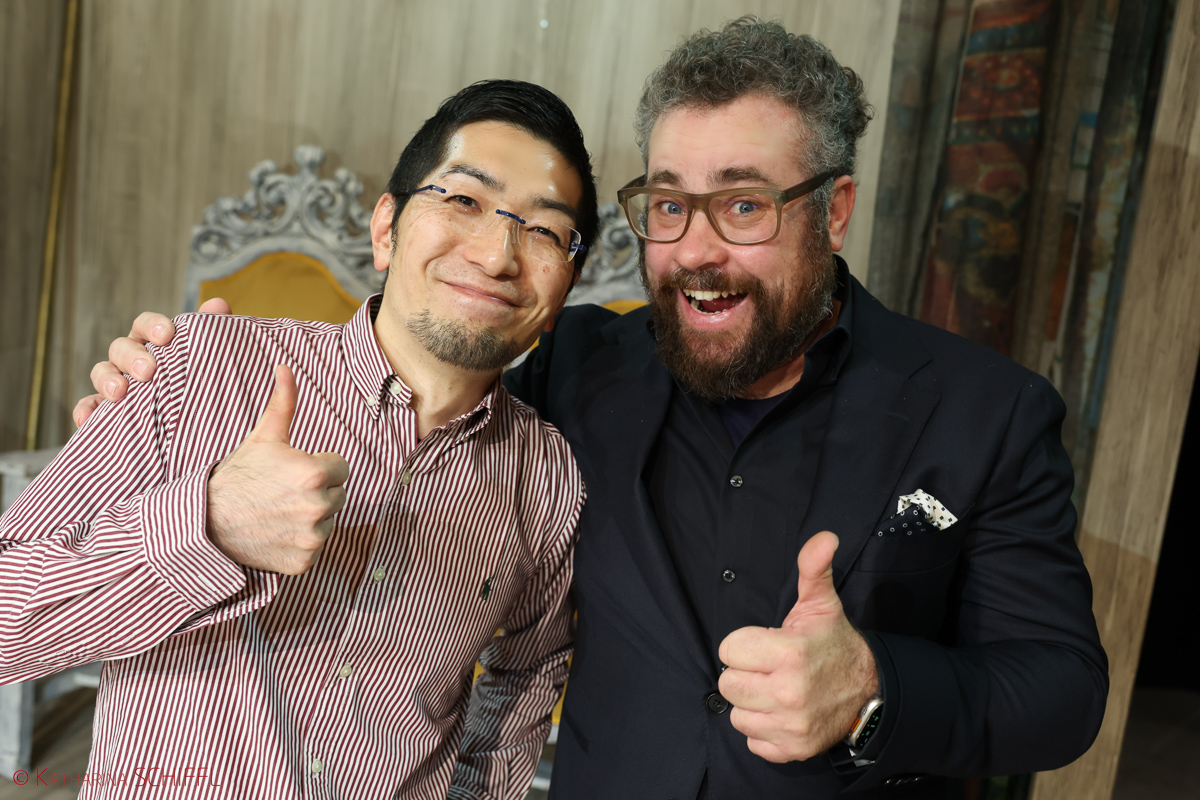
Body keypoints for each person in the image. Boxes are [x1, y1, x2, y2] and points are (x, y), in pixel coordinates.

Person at [78, 18, 1108, 800]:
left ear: (832, 210)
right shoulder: (576, 365)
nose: (696, 250)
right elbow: (417, 389)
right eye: (669, 204)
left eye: (743, 205)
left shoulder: (989, 411)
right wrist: (175, 395)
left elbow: (1061, 690)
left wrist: (874, 689)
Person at [2, 80, 600, 799]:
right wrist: (208, 527)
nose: (499, 254)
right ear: (386, 229)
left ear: (563, 290)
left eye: (544, 231)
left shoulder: (549, 477)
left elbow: (526, 676)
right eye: (464, 200)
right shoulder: (196, 367)